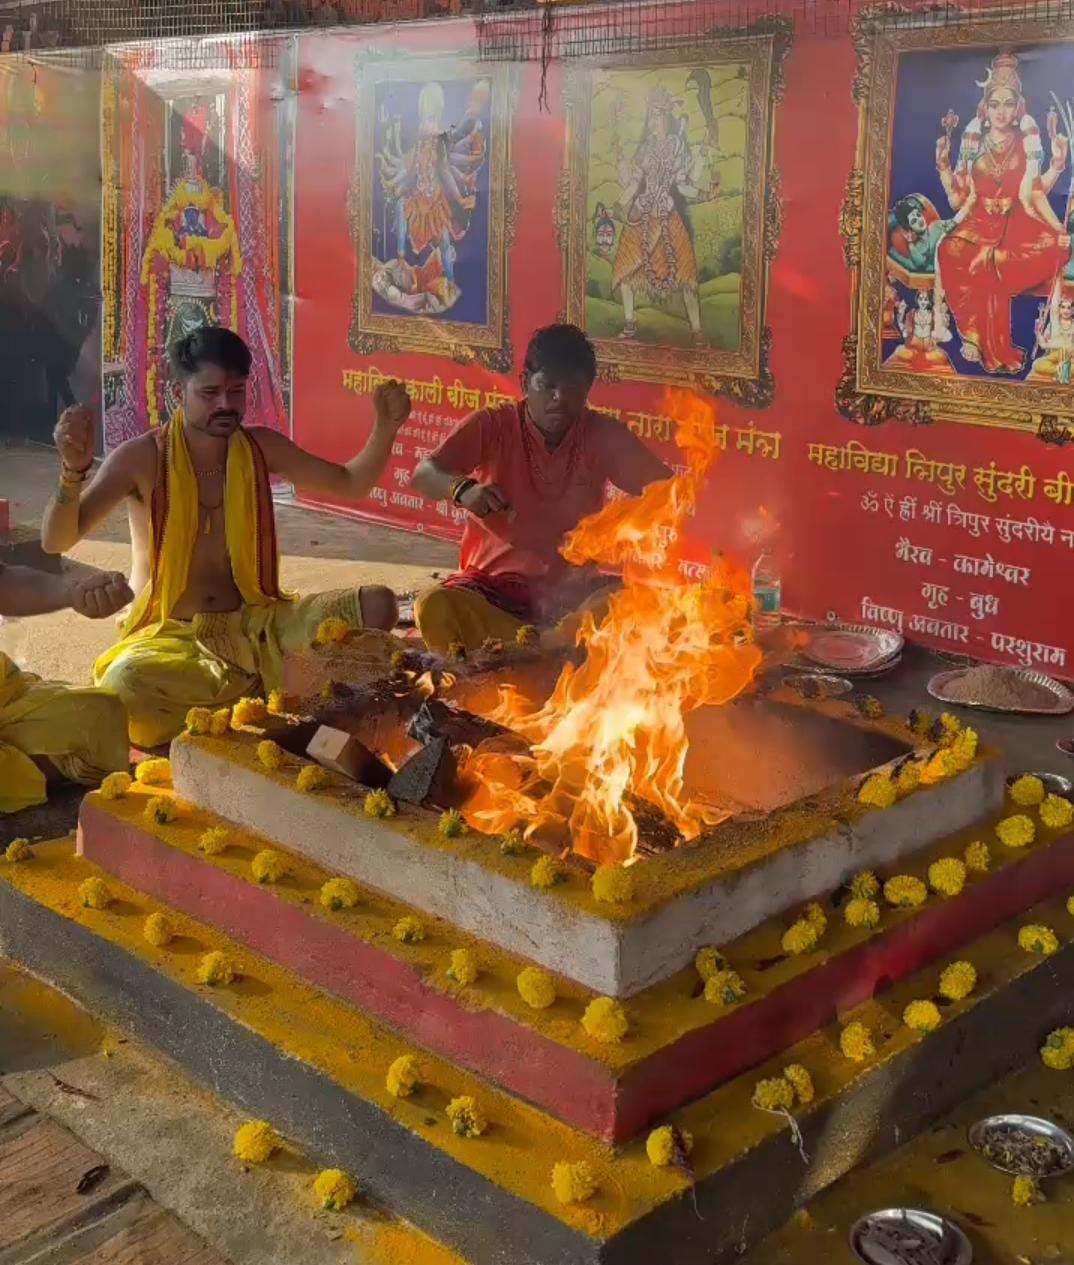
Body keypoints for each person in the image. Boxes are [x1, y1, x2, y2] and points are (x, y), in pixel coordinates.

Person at [41, 326, 411, 748]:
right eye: (210, 392)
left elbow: (350, 483)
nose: (225, 404)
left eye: (236, 391)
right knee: (125, 689)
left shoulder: (261, 448)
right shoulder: (142, 458)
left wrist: (386, 426)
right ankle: (278, 693)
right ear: (178, 390)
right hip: (172, 637)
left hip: (262, 625)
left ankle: (256, 697)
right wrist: (72, 473)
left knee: (378, 604)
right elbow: (57, 541)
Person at [410, 323, 671, 653]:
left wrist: (627, 523)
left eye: (572, 388)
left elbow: (668, 491)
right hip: (491, 592)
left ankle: (534, 651)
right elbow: (424, 473)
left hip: (571, 599)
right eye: (547, 385)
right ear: (525, 382)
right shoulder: (493, 425)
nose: (559, 399)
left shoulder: (602, 434)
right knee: (434, 605)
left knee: (632, 600)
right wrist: (463, 490)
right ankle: (548, 653)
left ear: (588, 390)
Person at [935, 51, 1071, 374]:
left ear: (1018, 108)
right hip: (977, 221)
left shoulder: (1026, 142)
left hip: (1015, 224)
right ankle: (973, 335)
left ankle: (986, 338)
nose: (1001, 112)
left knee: (1033, 250)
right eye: (995, 104)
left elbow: (1033, 193)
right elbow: (957, 200)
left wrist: (1058, 226)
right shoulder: (972, 142)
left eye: (1008, 104)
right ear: (985, 108)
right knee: (947, 249)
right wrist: (942, 167)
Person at [0, 563, 131, 814]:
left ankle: (19, 769)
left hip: (6, 693)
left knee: (96, 715)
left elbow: (4, 581)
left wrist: (72, 592)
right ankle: (28, 767)